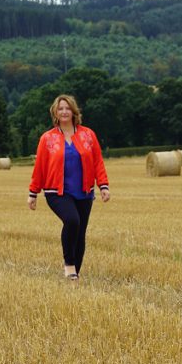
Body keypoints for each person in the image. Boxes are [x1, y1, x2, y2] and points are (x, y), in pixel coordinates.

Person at [28, 94, 110, 281]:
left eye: (67, 108)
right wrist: (33, 193)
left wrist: (103, 185)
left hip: (84, 192)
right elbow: (39, 166)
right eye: (60, 109)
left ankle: (75, 275)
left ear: (74, 112)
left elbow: (98, 162)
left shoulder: (88, 135)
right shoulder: (47, 139)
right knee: (72, 221)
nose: (64, 112)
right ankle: (69, 264)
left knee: (80, 233)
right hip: (56, 192)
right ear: (55, 113)